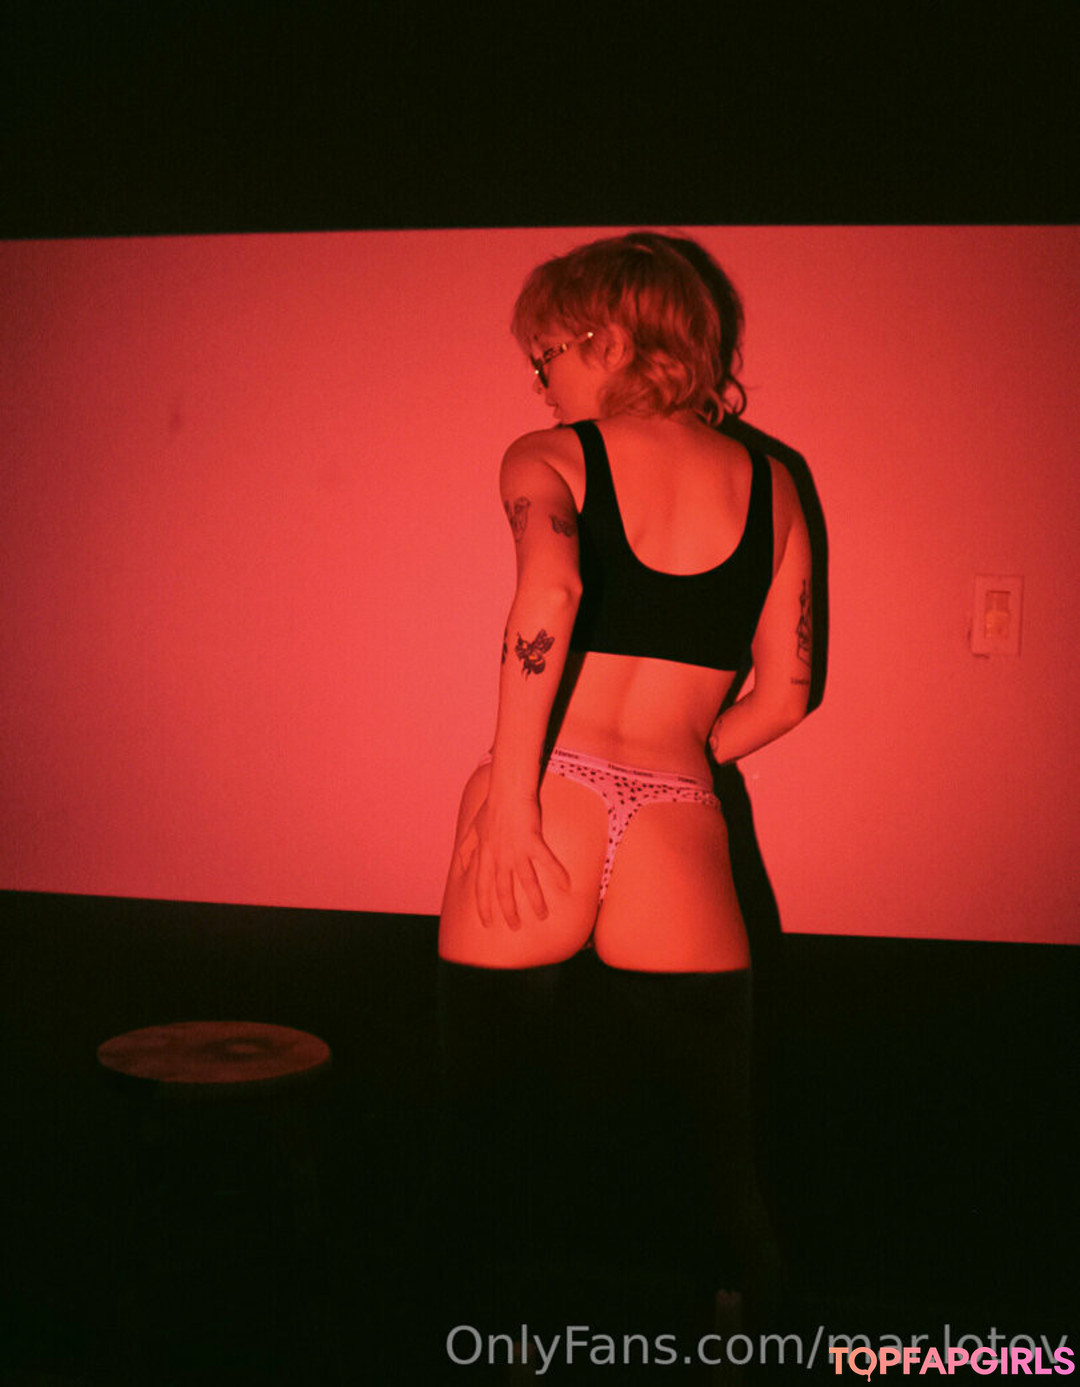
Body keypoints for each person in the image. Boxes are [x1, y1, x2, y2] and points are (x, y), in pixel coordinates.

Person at [436, 231, 813, 1330]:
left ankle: (495, 1348)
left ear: (607, 338)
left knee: (483, 1138)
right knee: (720, 1157)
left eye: (546, 351)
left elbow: (549, 596)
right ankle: (738, 1340)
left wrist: (517, 802)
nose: (538, 378)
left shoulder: (547, 454)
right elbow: (790, 694)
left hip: (545, 793)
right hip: (677, 820)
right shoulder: (775, 484)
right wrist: (685, 752)